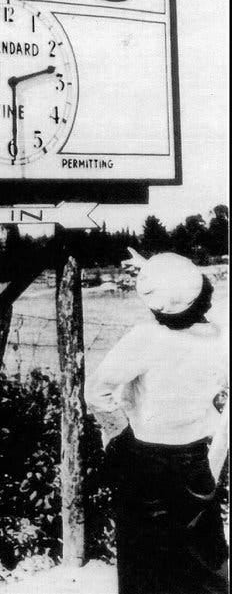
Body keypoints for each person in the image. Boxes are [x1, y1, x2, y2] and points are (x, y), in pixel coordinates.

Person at [86, 251, 228, 594]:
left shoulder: (144, 337)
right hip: (197, 457)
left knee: (142, 558)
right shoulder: (221, 337)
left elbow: (96, 392)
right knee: (202, 557)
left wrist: (119, 436)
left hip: (144, 458)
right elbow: (186, 294)